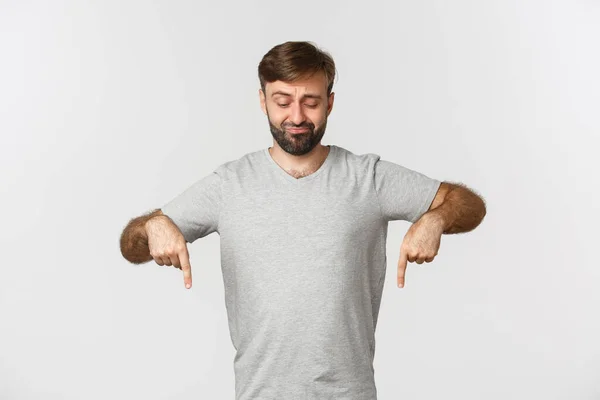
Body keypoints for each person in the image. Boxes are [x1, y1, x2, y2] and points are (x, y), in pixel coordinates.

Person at [120, 41, 486, 400]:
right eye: (282, 102)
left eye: (310, 102)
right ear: (263, 101)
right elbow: (131, 246)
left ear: (329, 102)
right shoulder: (229, 185)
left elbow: (468, 204)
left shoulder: (368, 178)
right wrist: (154, 225)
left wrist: (435, 219)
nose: (296, 117)